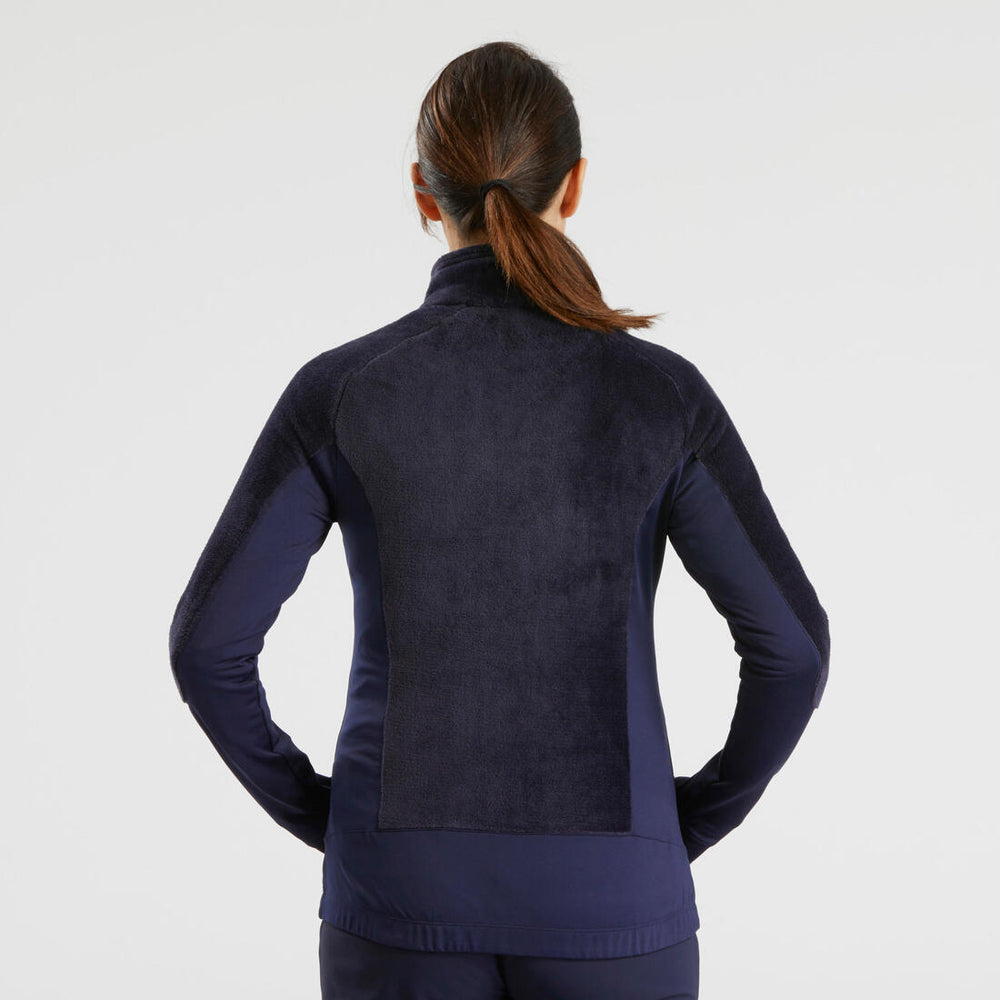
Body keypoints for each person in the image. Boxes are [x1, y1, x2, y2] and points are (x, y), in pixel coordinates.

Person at [168, 40, 830, 1000]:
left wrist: (336, 820)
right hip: (616, 901)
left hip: (398, 895)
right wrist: (680, 823)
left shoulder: (343, 393)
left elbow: (207, 647)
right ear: (575, 185)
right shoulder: (660, 398)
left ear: (422, 192)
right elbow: (793, 651)